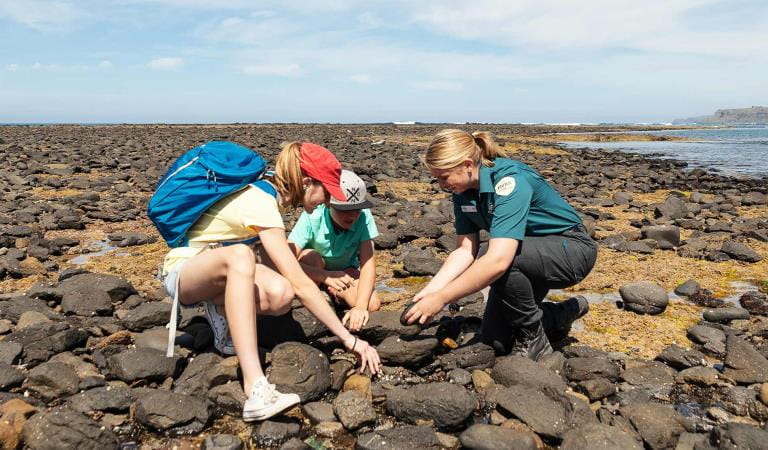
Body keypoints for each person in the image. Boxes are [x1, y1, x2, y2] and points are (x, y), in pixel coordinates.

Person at [160, 141, 381, 422]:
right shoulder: (261, 202)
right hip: (184, 273)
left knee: (280, 293)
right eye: (326, 192)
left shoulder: (270, 197)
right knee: (242, 257)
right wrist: (350, 341)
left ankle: (221, 308)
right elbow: (303, 283)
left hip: (217, 272)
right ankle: (256, 389)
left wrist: (323, 279)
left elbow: (288, 277)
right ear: (306, 182)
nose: (328, 201)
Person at [404, 129, 597, 361]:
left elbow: (498, 261)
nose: (440, 184)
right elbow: (465, 251)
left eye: (443, 177)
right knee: (497, 341)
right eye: (436, 178)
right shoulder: (463, 192)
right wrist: (429, 292)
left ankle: (534, 339)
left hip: (572, 250)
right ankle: (561, 314)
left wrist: (442, 298)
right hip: (527, 255)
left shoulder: (509, 181)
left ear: (467, 165)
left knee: (493, 255)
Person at [288, 169, 381, 332]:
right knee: (313, 257)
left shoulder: (364, 216)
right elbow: (284, 261)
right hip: (315, 268)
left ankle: (333, 294)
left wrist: (360, 307)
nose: (352, 216)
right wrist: (324, 276)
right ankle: (317, 292)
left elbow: (367, 264)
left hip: (344, 272)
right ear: (328, 202)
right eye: (344, 210)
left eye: (356, 209)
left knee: (371, 304)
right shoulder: (312, 216)